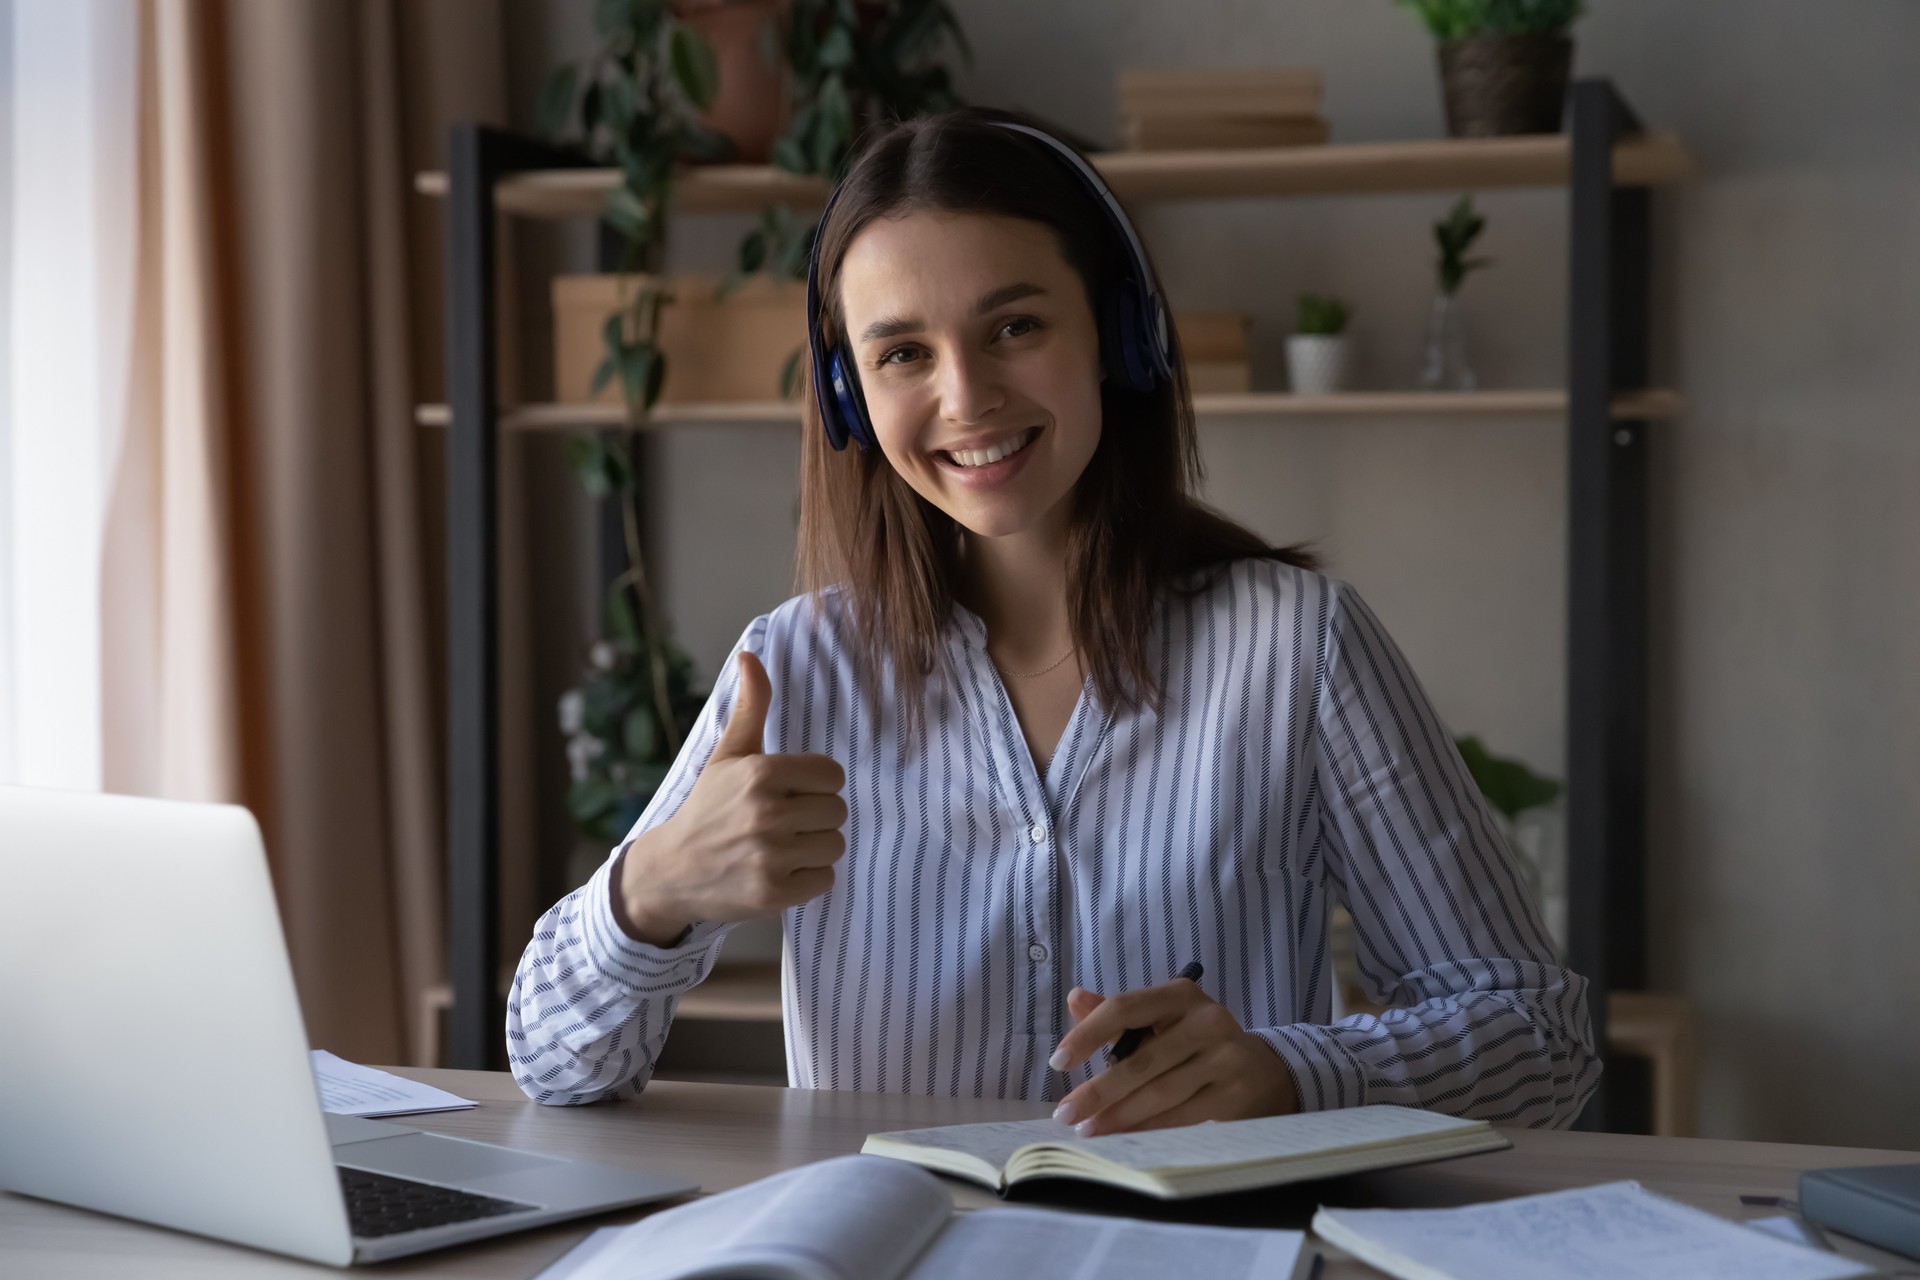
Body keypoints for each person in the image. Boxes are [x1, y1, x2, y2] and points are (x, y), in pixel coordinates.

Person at [508, 106, 1599, 1134]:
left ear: (1121, 339)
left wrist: (1296, 1070)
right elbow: (552, 1063)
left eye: (1015, 324)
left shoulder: (1298, 648)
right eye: (902, 354)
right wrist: (649, 890)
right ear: (849, 397)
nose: (966, 396)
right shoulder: (791, 668)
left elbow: (1544, 1040)